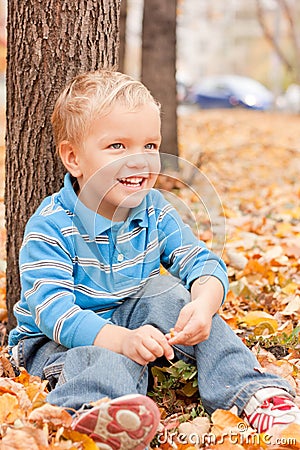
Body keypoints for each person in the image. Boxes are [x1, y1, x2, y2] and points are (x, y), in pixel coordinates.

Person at [8, 70, 300, 449]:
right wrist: (121, 340)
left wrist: (202, 304)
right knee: (98, 356)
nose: (138, 161)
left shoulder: (156, 212)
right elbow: (54, 313)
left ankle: (253, 393)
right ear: (73, 158)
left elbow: (201, 262)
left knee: (170, 293)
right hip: (54, 342)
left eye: (149, 146)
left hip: (134, 323)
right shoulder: (51, 225)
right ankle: (99, 415)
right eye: (117, 146)